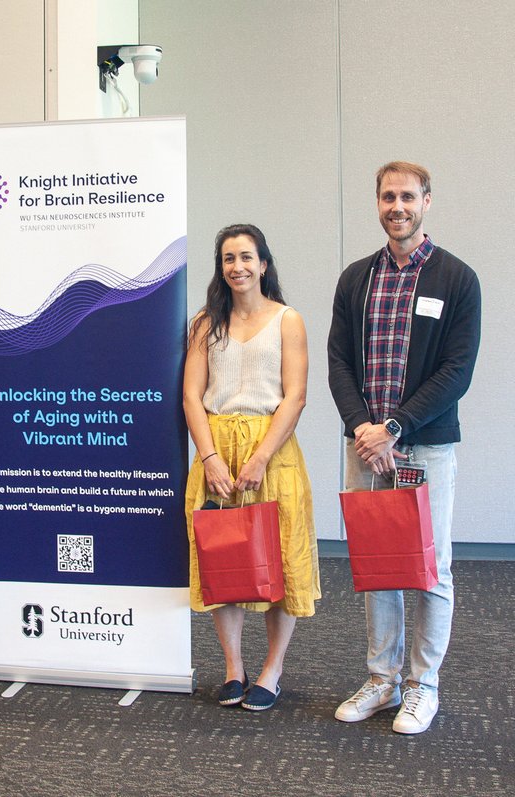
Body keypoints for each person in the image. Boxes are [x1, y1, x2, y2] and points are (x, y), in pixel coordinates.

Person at [328, 161, 482, 734]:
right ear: (377, 203)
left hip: (424, 449)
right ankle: (382, 678)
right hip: (365, 447)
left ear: (427, 202)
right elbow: (339, 361)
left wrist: (394, 427)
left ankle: (422, 685)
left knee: (431, 568)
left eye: (408, 197)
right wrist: (364, 428)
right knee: (377, 565)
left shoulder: (457, 280)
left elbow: (456, 372)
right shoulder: (356, 279)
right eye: (388, 196)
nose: (398, 206)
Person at [182, 223, 321, 712]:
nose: (237, 266)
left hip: (273, 455)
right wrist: (211, 457)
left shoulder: (288, 320)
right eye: (228, 258)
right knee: (226, 563)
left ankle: (272, 670)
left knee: (277, 562)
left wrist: (261, 456)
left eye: (246, 257)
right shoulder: (205, 323)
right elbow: (191, 396)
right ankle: (234, 668)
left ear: (263, 263)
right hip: (218, 455)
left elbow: (296, 396)